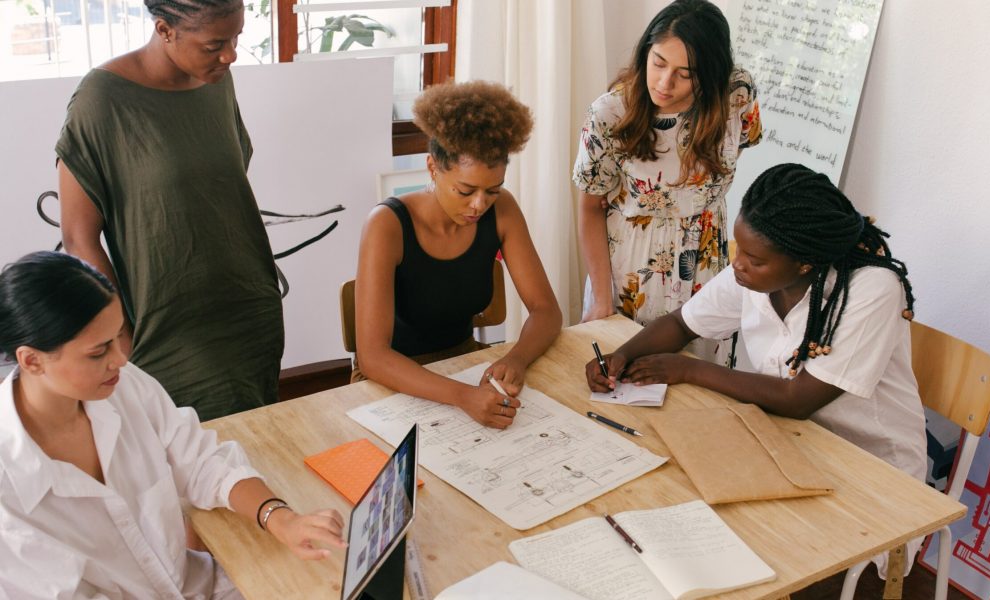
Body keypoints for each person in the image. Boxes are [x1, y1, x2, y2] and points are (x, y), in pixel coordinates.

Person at [585, 163, 927, 575]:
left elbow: (798, 398)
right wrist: (620, 356)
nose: (739, 265)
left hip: (868, 466)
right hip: (788, 441)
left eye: (754, 259)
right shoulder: (753, 275)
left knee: (735, 544)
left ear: (803, 263)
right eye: (739, 250)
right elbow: (680, 324)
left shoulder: (870, 291)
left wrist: (689, 370)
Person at [0, 252, 344, 599]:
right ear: (31, 360)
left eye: (119, 336)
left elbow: (201, 461)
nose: (120, 359)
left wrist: (279, 517)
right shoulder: (7, 487)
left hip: (202, 587)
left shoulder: (122, 384)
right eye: (98, 352)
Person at [56, 0, 283, 421]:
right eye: (215, 43)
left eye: (235, 38)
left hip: (250, 308)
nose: (230, 54)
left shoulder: (216, 78)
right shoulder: (102, 99)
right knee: (187, 464)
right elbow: (78, 237)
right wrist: (119, 335)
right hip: (167, 326)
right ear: (164, 30)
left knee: (256, 450)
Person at [354, 81, 562, 429]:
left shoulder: (503, 210)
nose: (479, 204)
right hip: (392, 382)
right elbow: (372, 357)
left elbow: (546, 310)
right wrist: (463, 396)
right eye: (465, 191)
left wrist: (517, 358)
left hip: (464, 366)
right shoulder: (387, 225)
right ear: (433, 168)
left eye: (492, 191)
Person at [574, 0, 763, 361]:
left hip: (707, 264)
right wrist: (601, 299)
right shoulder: (610, 113)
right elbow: (589, 207)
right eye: (658, 62)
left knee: (701, 388)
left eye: (685, 72)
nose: (664, 82)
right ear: (646, 51)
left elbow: (736, 151)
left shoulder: (736, 94)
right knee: (625, 381)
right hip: (633, 269)